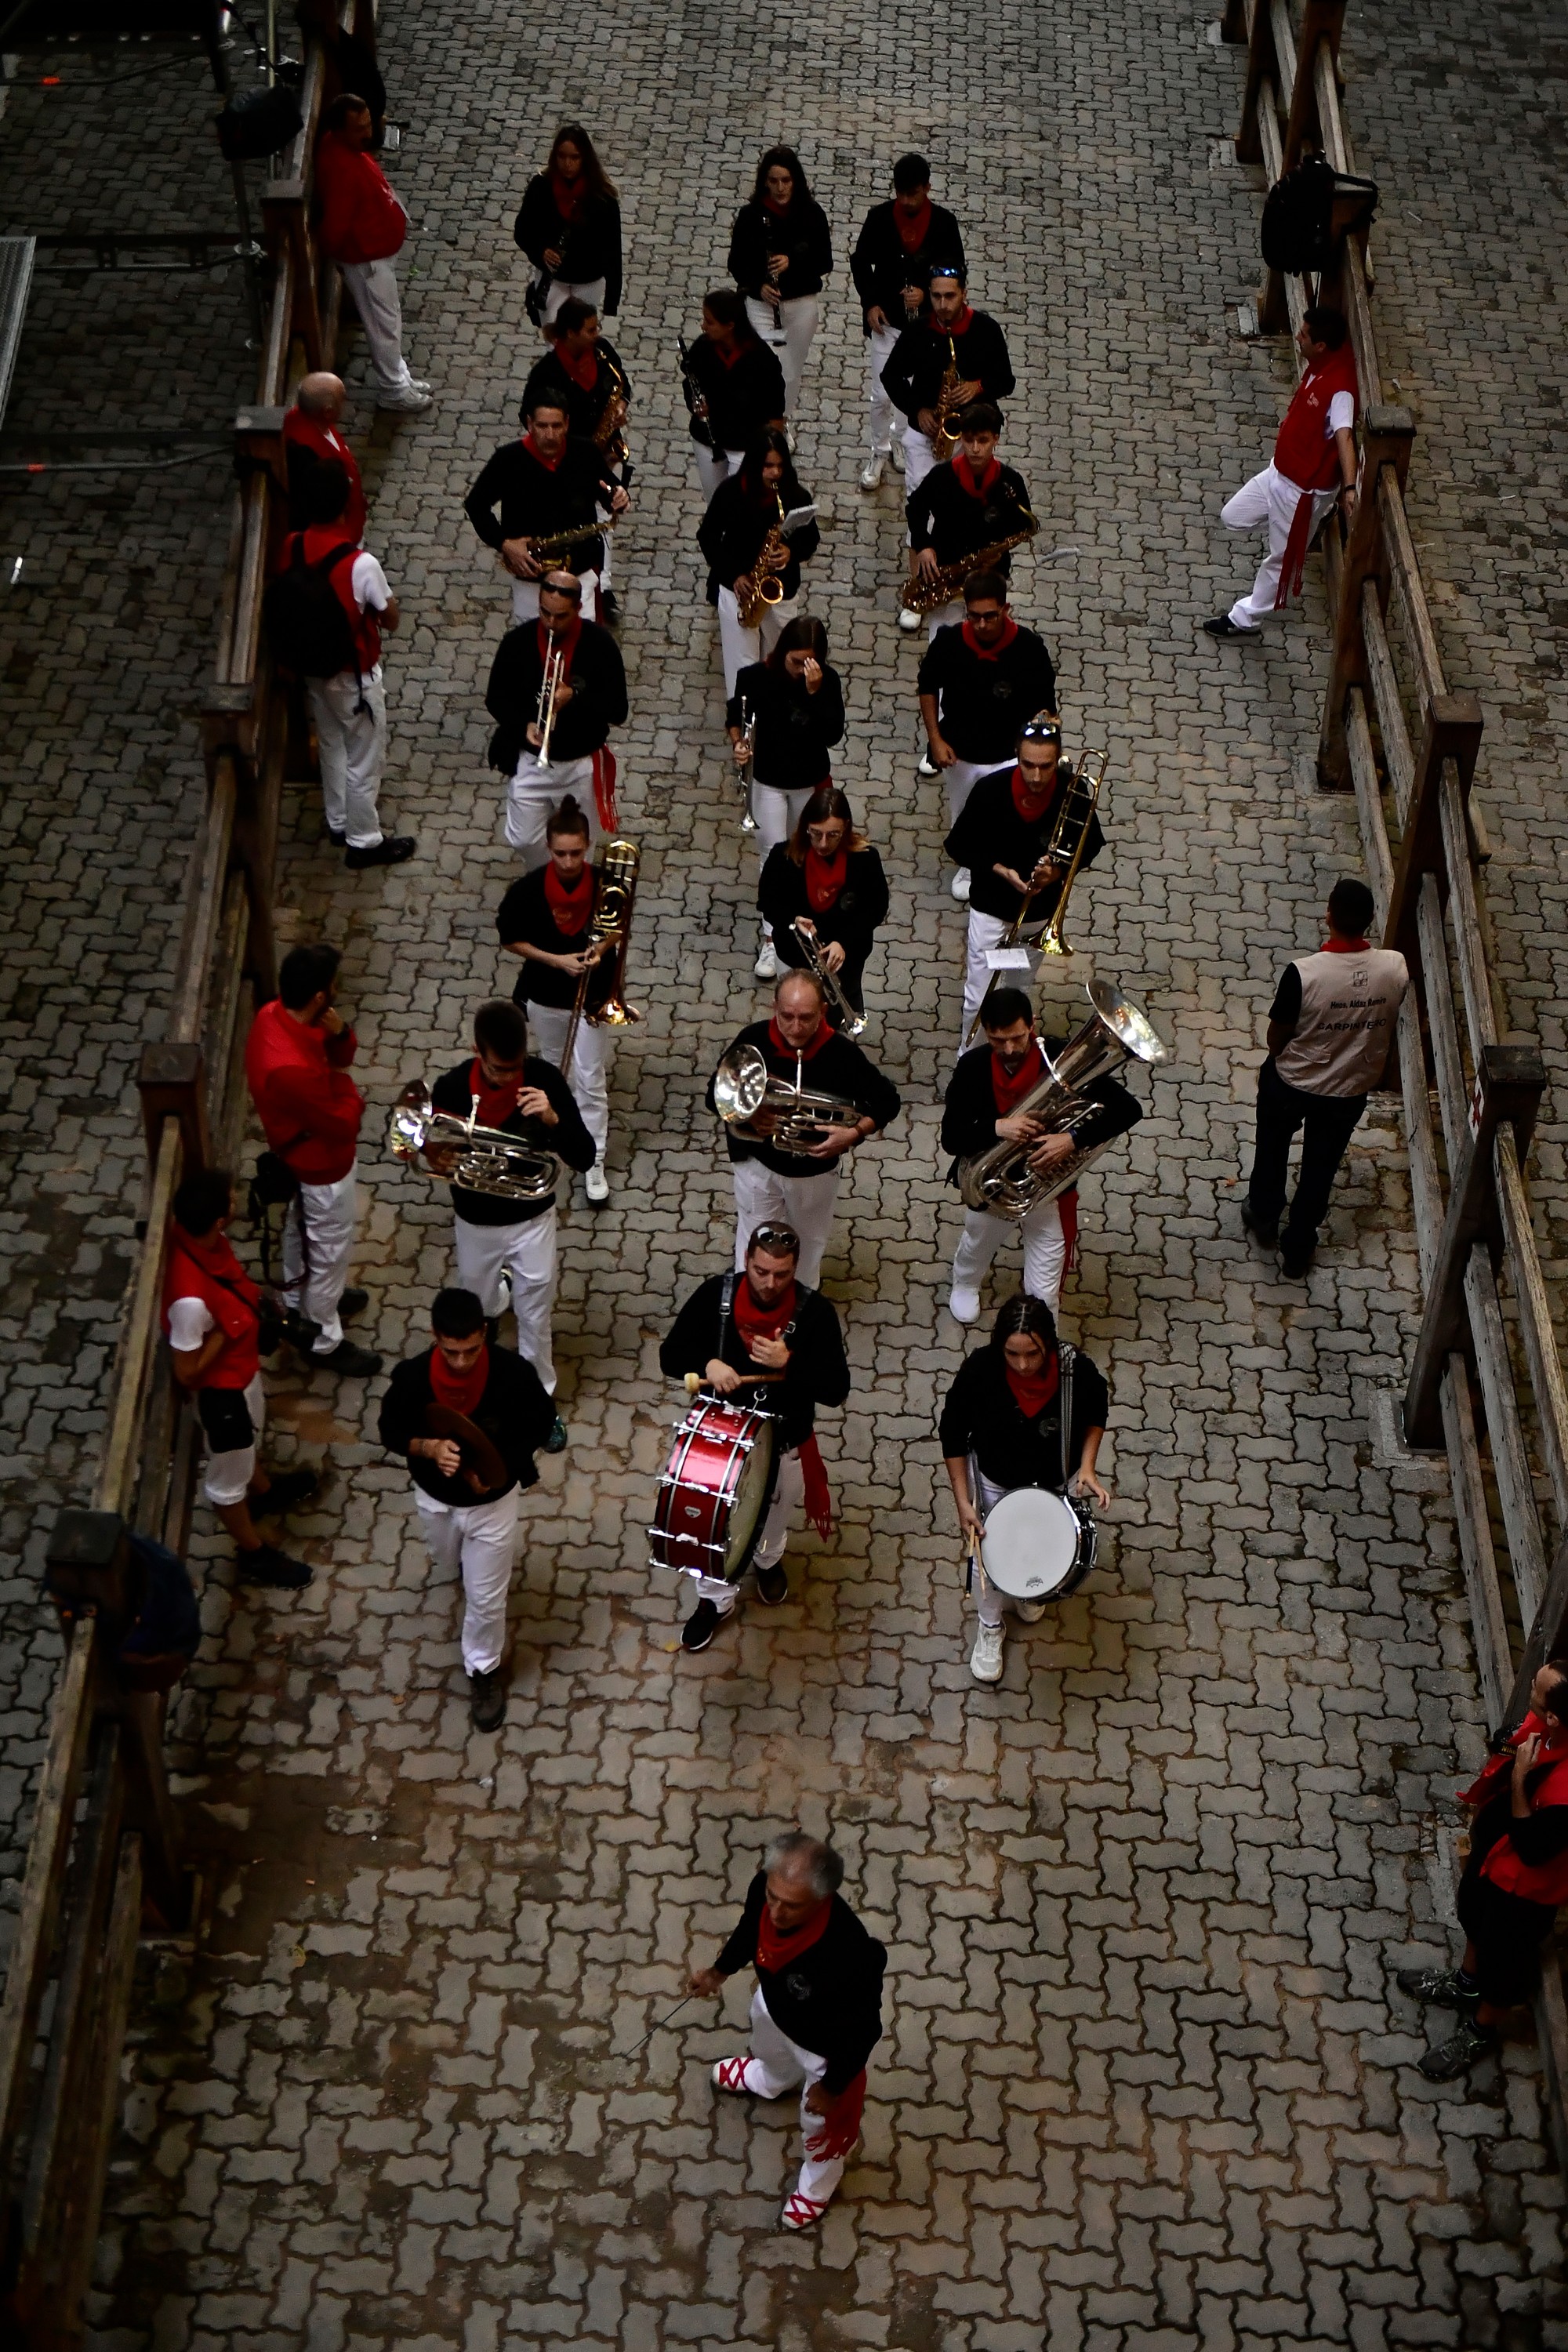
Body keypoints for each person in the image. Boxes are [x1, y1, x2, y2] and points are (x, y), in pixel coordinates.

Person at [659, 1223, 850, 1648]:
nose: (769, 1283)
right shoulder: (714, 1297)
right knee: (709, 1528)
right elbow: (669, 1355)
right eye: (761, 1271)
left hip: (785, 1443)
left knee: (775, 1514)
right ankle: (714, 1601)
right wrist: (707, 1363)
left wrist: (791, 1362)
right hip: (718, 1445)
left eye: (781, 1274)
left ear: (795, 1268)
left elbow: (837, 1390)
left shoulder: (815, 1314)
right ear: (746, 1260)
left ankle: (766, 1559)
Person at [688, 1831, 885, 2230]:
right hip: (774, 2009)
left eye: (790, 1907)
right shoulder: (768, 1886)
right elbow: (750, 1929)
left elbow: (864, 2029)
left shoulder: (850, 1954)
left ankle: (818, 2186)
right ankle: (772, 2079)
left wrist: (831, 2088)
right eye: (773, 1897)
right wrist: (717, 1972)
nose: (775, 1912)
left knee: (821, 2128)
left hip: (823, 2049)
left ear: (823, 1899)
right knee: (767, 2048)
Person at [378, 1288, 555, 1730]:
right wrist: (428, 1447)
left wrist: (500, 1470)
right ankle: (462, 1568)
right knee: (447, 1556)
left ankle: (483, 1669)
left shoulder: (514, 1375)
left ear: (485, 1332)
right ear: (436, 1336)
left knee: (485, 1599)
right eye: (451, 1351)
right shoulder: (413, 1378)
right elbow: (390, 1430)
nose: (462, 1361)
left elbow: (539, 1423)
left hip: (493, 1506)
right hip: (434, 1499)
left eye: (471, 1350)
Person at [423, 999, 593, 1436]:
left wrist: (555, 1118)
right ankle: (478, 1397)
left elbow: (584, 1155)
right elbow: (432, 1147)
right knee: (476, 1311)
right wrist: (438, 1156)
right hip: (476, 1223)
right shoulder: (452, 1089)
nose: (509, 1078)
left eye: (515, 1067)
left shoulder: (543, 1080)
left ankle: (539, 1402)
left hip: (531, 1218)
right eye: (499, 1070)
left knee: (535, 1312)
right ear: (477, 1051)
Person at [1396, 1661, 1568, 2082]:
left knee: (1505, 1959)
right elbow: (1507, 1742)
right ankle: (1466, 1981)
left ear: (1555, 1717)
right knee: (1473, 1912)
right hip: (1494, 1856)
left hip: (1523, 1887)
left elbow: (1532, 1848)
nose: (1528, 1687)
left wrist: (1521, 1778)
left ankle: (1481, 2029)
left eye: (1536, 1688)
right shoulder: (1549, 1726)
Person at [940, 988, 1142, 1323]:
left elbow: (1128, 1109)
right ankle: (965, 1284)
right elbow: (952, 1137)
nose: (1009, 1049)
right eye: (997, 1040)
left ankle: (1038, 1331)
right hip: (992, 1186)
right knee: (977, 1244)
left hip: (1048, 1192)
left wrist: (1072, 1139)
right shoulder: (973, 1067)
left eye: (1018, 1038)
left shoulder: (1063, 1057)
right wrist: (997, 1127)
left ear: (1032, 1024)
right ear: (985, 1032)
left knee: (1045, 1298)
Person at [1242, 877, 1408, 1277]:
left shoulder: (1303, 974)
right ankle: (1299, 1245)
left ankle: (1264, 1213)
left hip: (1293, 1081)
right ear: (1370, 920)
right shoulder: (1395, 967)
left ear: (1328, 915)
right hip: (1350, 1086)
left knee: (1272, 1145)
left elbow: (1276, 1037)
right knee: (1322, 1164)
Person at [162, 1167, 319, 1589]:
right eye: (230, 1200)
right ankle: (254, 1555)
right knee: (227, 1481)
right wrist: (229, 1327)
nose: (236, 1202)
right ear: (218, 1220)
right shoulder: (190, 1302)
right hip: (222, 1395)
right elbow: (186, 1370)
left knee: (255, 1435)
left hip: (241, 1372)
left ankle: (265, 1492)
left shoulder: (204, 1243)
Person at [940, 1295, 1110, 1682]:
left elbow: (1096, 1409)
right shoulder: (981, 1371)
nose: (1022, 1365)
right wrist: (964, 1502)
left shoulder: (1075, 1372)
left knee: (1040, 1541)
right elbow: (952, 1432)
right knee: (992, 1556)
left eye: (1032, 1354)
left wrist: (1086, 1466)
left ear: (1047, 1344)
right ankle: (990, 1625)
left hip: (1054, 1480)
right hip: (995, 1482)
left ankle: (1028, 1592)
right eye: (1011, 1354)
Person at [708, 970, 901, 1287]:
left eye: (806, 1018)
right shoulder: (753, 1041)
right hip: (759, 1167)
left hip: (814, 1173)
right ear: (774, 1008)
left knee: (808, 1248)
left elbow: (887, 1101)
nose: (795, 1028)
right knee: (755, 1242)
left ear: (823, 1012)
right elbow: (714, 1095)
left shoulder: (842, 1054)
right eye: (787, 1016)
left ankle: (802, 1312)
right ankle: (748, 1307)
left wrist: (854, 1133)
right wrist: (749, 1117)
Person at [244, 941, 382, 1377]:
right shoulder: (290, 1069)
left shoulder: (273, 1015)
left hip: (302, 1156)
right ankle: (322, 1338)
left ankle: (300, 1302)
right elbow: (343, 1122)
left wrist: (340, 1033)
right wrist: (349, 1092)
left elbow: (342, 1057)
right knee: (327, 1252)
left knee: (300, 1236)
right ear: (320, 996)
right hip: (322, 1167)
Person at [283, 459, 416, 869]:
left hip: (312, 669)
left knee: (331, 743)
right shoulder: (361, 564)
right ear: (344, 507)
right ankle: (364, 841)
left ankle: (338, 820)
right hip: (355, 677)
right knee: (365, 759)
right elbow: (390, 618)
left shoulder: (291, 545)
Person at [945, 719, 1105, 1051]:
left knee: (1018, 989)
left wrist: (1057, 873)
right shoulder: (990, 790)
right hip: (992, 907)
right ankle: (969, 1054)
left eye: (1045, 767)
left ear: (1059, 759)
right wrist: (1000, 870)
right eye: (1028, 765)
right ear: (1017, 756)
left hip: (1040, 912)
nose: (1035, 776)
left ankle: (1014, 1051)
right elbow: (958, 844)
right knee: (979, 992)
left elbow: (1090, 843)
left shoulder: (1072, 791)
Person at [1204, 307, 1359, 640]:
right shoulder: (1322, 362)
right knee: (1232, 517)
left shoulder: (1342, 390)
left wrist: (1349, 487)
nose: (1298, 337)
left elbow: (1345, 437)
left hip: (1301, 493)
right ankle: (1302, 533)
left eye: (1304, 334)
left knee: (1280, 559)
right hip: (1278, 474)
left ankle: (1245, 620)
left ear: (1320, 346)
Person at [497, 797, 622, 1203]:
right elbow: (510, 938)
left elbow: (619, 926)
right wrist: (557, 960)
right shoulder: (528, 891)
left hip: (591, 997)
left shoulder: (606, 882)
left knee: (590, 1078)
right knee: (554, 1071)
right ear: (548, 849)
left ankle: (594, 1158)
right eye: (560, 853)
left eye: (576, 852)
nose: (568, 862)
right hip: (546, 995)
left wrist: (600, 951)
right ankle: (557, 1133)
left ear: (587, 846)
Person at [917, 572, 1058, 901]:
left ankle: (1004, 867)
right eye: (974, 616)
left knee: (1007, 816)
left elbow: (1045, 708)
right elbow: (927, 685)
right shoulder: (949, 642)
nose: (981, 625)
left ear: (1006, 609)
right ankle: (969, 864)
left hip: (1010, 754)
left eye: (989, 616)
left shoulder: (1029, 647)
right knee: (963, 812)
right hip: (961, 753)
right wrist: (935, 739)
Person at [484, 569, 627, 867]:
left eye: (560, 616)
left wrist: (575, 696)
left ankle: (575, 892)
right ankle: (544, 879)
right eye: (545, 613)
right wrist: (522, 725)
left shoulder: (600, 645)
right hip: (532, 757)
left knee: (582, 847)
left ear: (577, 609)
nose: (551, 623)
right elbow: (496, 698)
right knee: (522, 838)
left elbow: (618, 710)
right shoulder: (517, 643)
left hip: (581, 763)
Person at [727, 617, 845, 978]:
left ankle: (809, 925)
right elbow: (736, 715)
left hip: (809, 784)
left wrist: (815, 693)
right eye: (794, 661)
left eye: (808, 662)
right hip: (768, 782)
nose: (800, 669)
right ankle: (770, 936)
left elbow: (832, 734)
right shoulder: (755, 677)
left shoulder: (826, 681)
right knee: (773, 857)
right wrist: (739, 744)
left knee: (807, 853)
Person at [850, 153, 967, 488]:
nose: (906, 200)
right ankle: (878, 449)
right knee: (880, 394)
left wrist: (928, 292)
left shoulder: (944, 224)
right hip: (886, 323)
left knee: (911, 391)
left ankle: (900, 442)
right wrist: (870, 303)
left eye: (913, 194)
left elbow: (955, 270)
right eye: (901, 193)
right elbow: (861, 263)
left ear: (927, 188)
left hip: (925, 327)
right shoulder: (880, 218)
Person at [463, 392, 629, 626]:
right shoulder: (507, 460)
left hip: (580, 571)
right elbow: (476, 505)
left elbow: (606, 486)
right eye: (542, 426)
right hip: (532, 575)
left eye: (556, 426)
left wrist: (619, 495)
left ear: (567, 424)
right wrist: (505, 543)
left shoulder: (585, 452)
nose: (550, 435)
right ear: (529, 423)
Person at [313, 92, 430, 413]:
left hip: (373, 253)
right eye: (360, 128)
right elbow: (336, 225)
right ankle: (394, 389)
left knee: (387, 320)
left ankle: (399, 376)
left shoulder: (343, 148)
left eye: (368, 124)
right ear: (340, 130)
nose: (368, 133)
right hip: (366, 260)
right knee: (383, 324)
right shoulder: (341, 167)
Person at [521, 299, 632, 622]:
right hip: (570, 458)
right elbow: (529, 416)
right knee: (579, 519)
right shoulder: (546, 373)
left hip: (604, 451)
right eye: (591, 329)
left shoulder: (602, 353)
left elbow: (622, 381)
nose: (598, 334)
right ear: (570, 333)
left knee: (604, 515)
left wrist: (621, 406)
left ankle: (604, 586)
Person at [699, 430, 819, 697]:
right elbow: (707, 537)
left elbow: (811, 539)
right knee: (741, 665)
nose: (775, 473)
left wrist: (790, 552)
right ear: (755, 465)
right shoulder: (730, 493)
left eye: (779, 466)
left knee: (778, 658)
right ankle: (742, 724)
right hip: (739, 589)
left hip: (779, 589)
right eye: (768, 466)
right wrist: (733, 575)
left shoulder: (795, 496)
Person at [881, 261, 1014, 501]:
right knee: (921, 502)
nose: (943, 305)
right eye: (936, 296)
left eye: (950, 296)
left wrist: (979, 386)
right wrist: (917, 410)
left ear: (964, 293)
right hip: (926, 433)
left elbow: (1006, 381)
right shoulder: (918, 331)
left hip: (971, 436)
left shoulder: (987, 330)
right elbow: (890, 376)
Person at [903, 401, 1033, 641]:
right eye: (969, 440)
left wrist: (999, 548)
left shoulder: (1010, 482)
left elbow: (1024, 524)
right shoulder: (942, 476)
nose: (975, 449)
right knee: (941, 642)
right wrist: (923, 546)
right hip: (947, 572)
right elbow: (915, 508)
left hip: (990, 576)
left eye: (983, 441)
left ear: (996, 439)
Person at [759, 786, 888, 1025]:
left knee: (841, 1008)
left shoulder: (865, 859)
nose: (823, 843)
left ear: (846, 828)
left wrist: (844, 942)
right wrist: (793, 920)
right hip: (794, 955)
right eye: (815, 833)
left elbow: (876, 908)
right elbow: (768, 902)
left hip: (844, 958)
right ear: (805, 827)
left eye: (833, 835)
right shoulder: (783, 857)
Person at [727, 145, 833, 420]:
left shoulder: (811, 214)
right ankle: (767, 423)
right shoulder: (751, 216)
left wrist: (792, 264)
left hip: (800, 305)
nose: (780, 188)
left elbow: (824, 262)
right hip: (762, 307)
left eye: (785, 181)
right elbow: (736, 263)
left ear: (795, 180)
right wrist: (757, 284)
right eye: (774, 181)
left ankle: (781, 422)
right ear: (765, 181)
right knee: (768, 367)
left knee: (791, 371)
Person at [513, 123, 623, 331]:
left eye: (575, 158)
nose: (567, 164)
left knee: (578, 338)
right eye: (562, 156)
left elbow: (612, 250)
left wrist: (611, 301)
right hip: (553, 278)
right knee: (555, 341)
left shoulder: (603, 198)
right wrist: (541, 251)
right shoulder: (541, 188)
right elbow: (523, 230)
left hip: (589, 282)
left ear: (585, 159)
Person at [682, 290, 788, 503]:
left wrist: (772, 454)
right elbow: (690, 385)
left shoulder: (762, 361)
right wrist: (695, 405)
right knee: (716, 502)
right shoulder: (702, 348)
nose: (703, 326)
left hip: (745, 447)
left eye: (709, 322)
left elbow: (776, 414)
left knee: (740, 504)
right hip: (708, 440)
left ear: (730, 325)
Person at [281, 370, 366, 541]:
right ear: (327, 411)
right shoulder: (306, 456)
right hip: (338, 536)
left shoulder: (312, 421)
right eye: (342, 400)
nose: (344, 405)